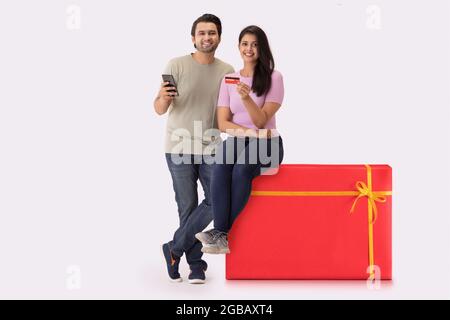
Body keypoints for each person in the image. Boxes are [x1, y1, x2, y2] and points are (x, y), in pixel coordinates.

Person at [154, 14, 234, 283]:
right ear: (193, 38)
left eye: (212, 33)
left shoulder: (227, 71)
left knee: (216, 200)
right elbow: (159, 109)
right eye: (202, 33)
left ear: (219, 38)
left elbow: (230, 112)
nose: (207, 37)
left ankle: (174, 249)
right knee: (187, 207)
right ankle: (197, 265)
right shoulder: (176, 65)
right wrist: (163, 98)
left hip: (211, 145)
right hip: (178, 146)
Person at [195, 25, 285, 254]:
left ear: (262, 48)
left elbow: (262, 120)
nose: (249, 48)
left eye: (255, 44)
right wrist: (250, 133)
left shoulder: (274, 78)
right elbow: (223, 123)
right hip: (244, 139)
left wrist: (247, 100)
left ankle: (220, 232)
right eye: (245, 43)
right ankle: (221, 235)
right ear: (238, 47)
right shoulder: (229, 79)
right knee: (220, 166)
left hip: (269, 143)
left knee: (243, 168)